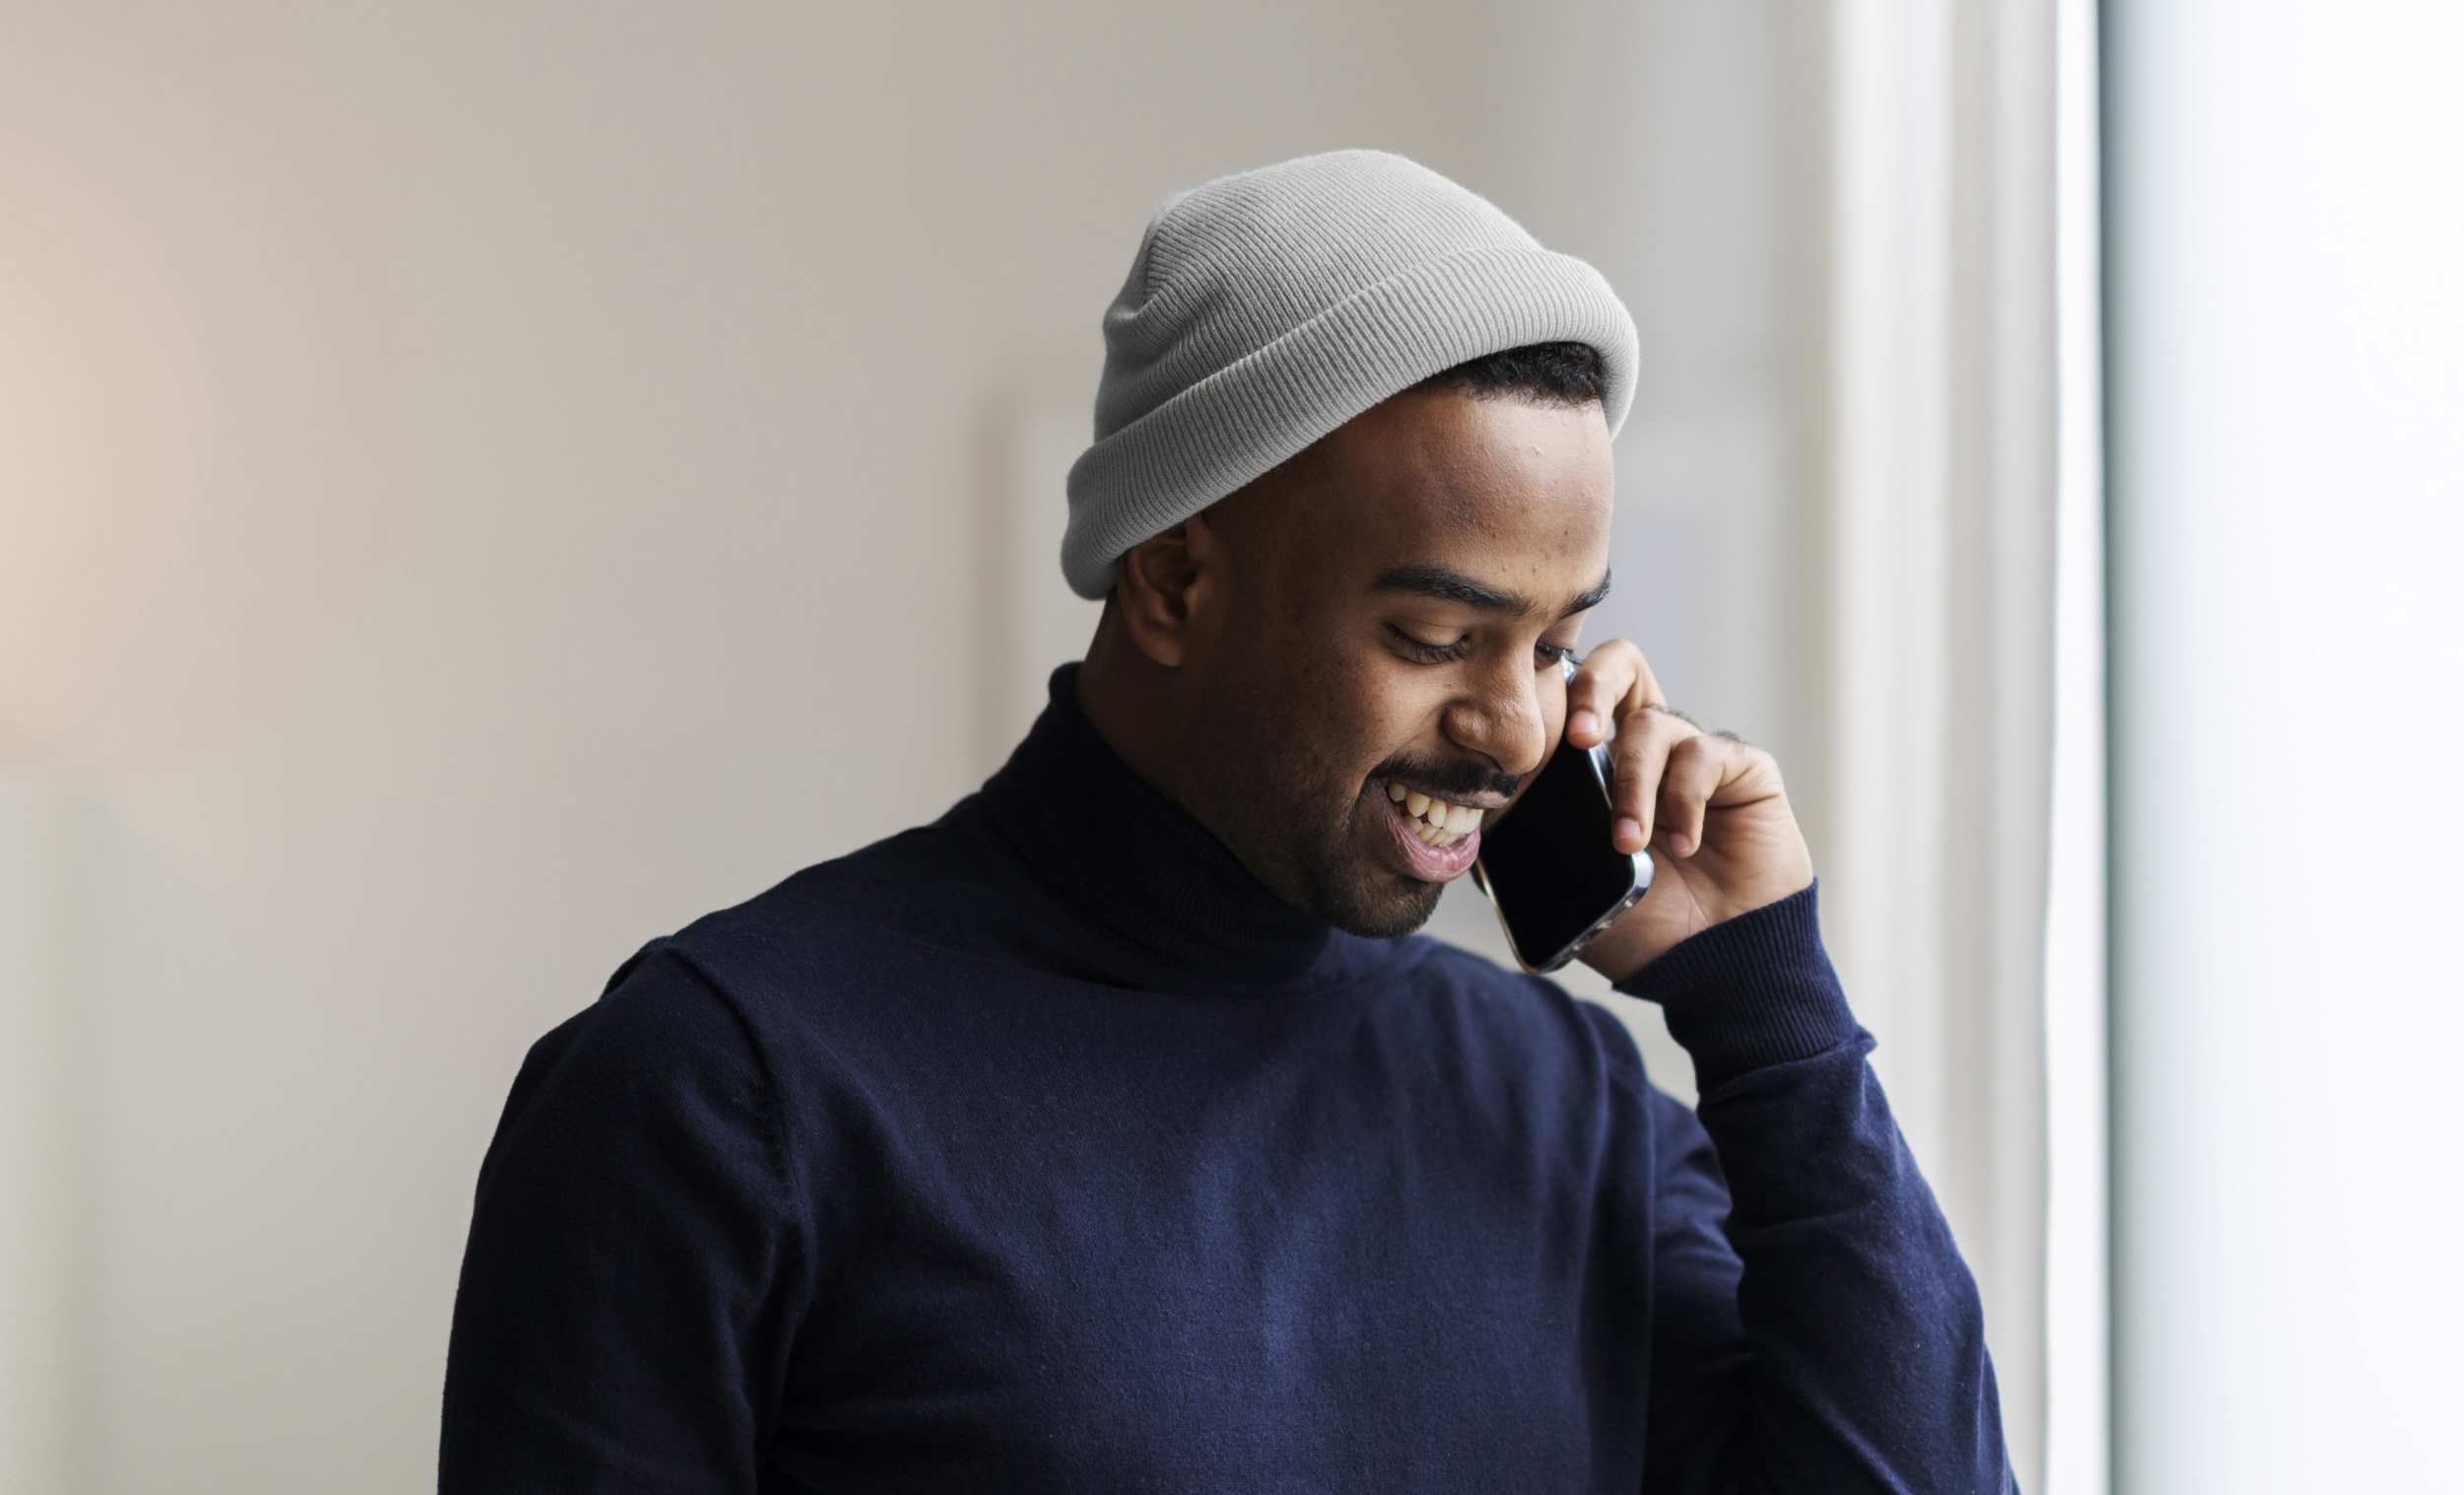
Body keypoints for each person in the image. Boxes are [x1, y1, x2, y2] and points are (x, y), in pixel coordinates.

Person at [439, 150, 2015, 1493]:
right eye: (1434, 636)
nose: (1520, 727)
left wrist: (1773, 1013)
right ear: (1177, 581)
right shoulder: (723, 1091)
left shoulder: (1566, 1105)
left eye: (1550, 642)